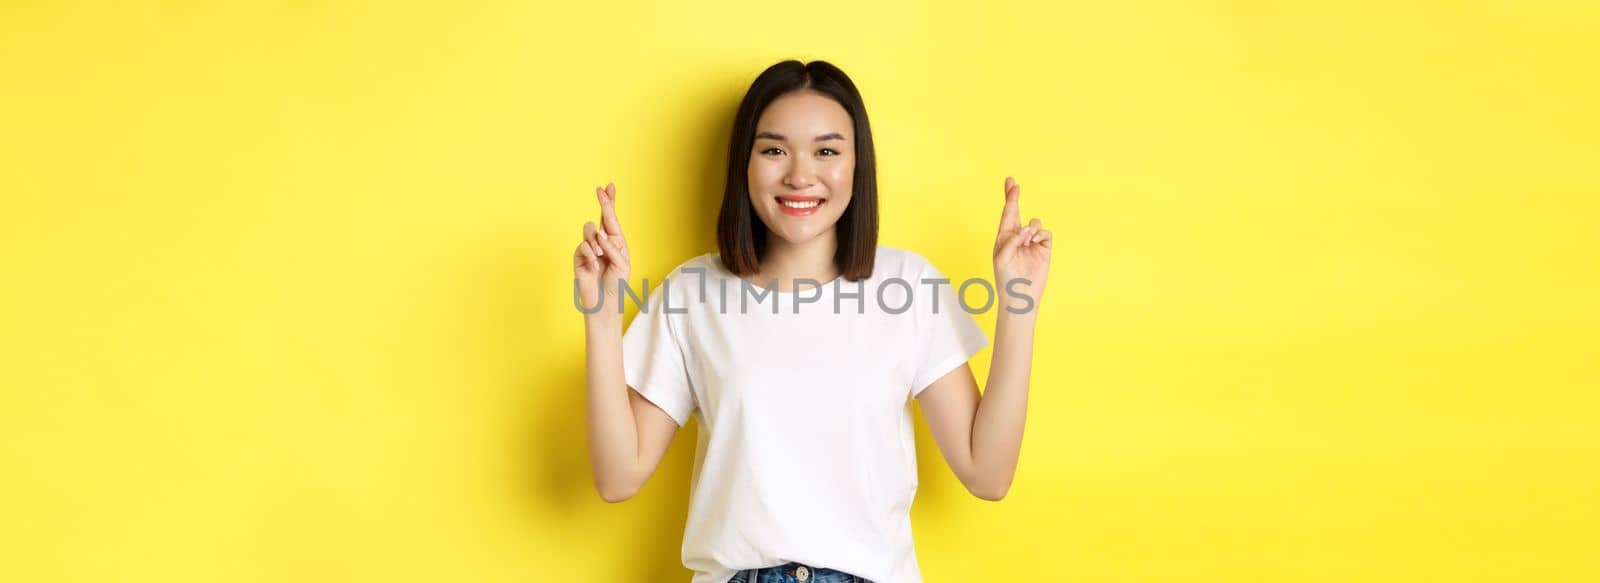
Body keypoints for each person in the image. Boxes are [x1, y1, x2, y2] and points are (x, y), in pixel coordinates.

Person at [572, 60, 1053, 583]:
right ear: (746, 165)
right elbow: (618, 477)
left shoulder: (910, 286)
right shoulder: (692, 293)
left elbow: (988, 473)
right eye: (774, 149)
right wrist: (601, 315)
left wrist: (1018, 302)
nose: (800, 175)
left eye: (826, 151)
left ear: (856, 166)